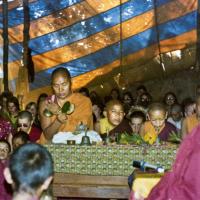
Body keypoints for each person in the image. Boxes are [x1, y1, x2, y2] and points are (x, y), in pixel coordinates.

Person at [39, 67, 93, 144]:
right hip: (52, 149)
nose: (60, 89)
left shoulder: (83, 101)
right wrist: (58, 121)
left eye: (64, 84)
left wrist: (59, 112)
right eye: (56, 86)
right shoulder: (47, 103)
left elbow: (80, 130)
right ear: (52, 86)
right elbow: (47, 136)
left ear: (71, 82)